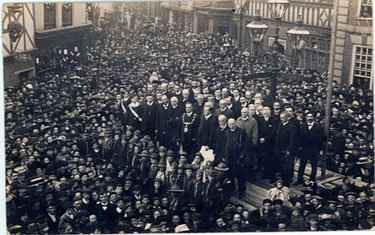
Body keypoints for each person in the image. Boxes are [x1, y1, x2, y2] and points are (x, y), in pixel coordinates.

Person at [295, 112, 326, 184]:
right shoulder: (303, 126)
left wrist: (318, 147)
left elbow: (323, 137)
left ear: (313, 117)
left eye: (311, 116)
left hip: (313, 150)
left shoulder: (318, 127)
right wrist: (300, 146)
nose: (309, 118)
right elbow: (299, 137)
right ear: (306, 117)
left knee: (314, 166)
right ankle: (299, 179)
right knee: (302, 165)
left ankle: (312, 180)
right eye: (308, 116)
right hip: (304, 149)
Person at [273, 111, 297, 186]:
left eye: (283, 118)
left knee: (286, 168)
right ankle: (280, 182)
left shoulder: (291, 127)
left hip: (286, 150)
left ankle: (286, 183)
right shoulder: (280, 124)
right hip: (279, 150)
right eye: (281, 118)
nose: (282, 119)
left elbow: (292, 140)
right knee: (279, 166)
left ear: (287, 118)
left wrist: (289, 150)